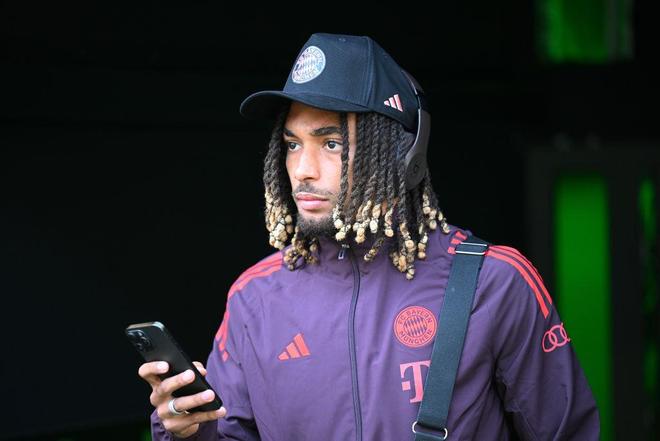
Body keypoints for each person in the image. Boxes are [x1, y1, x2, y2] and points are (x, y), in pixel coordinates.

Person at [139, 32, 600, 440]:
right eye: (293, 144)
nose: (302, 169)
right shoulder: (253, 297)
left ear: (404, 156)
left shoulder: (493, 282)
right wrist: (188, 431)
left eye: (331, 144)